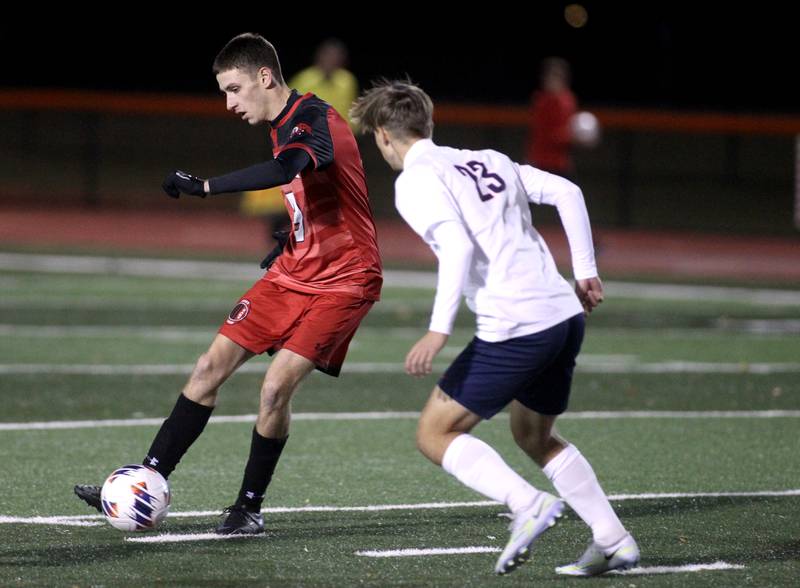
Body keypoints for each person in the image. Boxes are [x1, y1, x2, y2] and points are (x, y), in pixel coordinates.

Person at [74, 33, 382, 535]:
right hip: (294, 269)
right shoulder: (283, 122)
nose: (229, 103)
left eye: (234, 89)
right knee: (208, 367)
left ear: (264, 77)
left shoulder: (313, 116)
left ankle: (248, 508)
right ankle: (146, 480)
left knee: (275, 387)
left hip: (346, 278)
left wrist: (204, 187)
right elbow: (314, 185)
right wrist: (293, 232)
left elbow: (289, 167)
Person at [350, 80, 638, 577]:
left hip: (518, 323)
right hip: (562, 316)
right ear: (430, 124)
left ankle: (527, 504)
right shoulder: (487, 158)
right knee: (533, 434)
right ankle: (615, 540)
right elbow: (567, 191)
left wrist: (438, 330)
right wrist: (585, 270)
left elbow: (458, 248)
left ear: (382, 136)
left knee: (434, 433)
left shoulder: (415, 181)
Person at [525, 57, 578, 177]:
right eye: (549, 76)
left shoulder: (568, 100)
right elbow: (547, 134)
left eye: (557, 77)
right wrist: (573, 137)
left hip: (560, 165)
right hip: (540, 162)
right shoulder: (541, 101)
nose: (551, 80)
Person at [288, 38, 358, 127]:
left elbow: (352, 111)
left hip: (342, 135)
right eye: (328, 55)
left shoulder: (348, 80)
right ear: (319, 56)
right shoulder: (304, 79)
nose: (332, 60)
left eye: (336, 57)